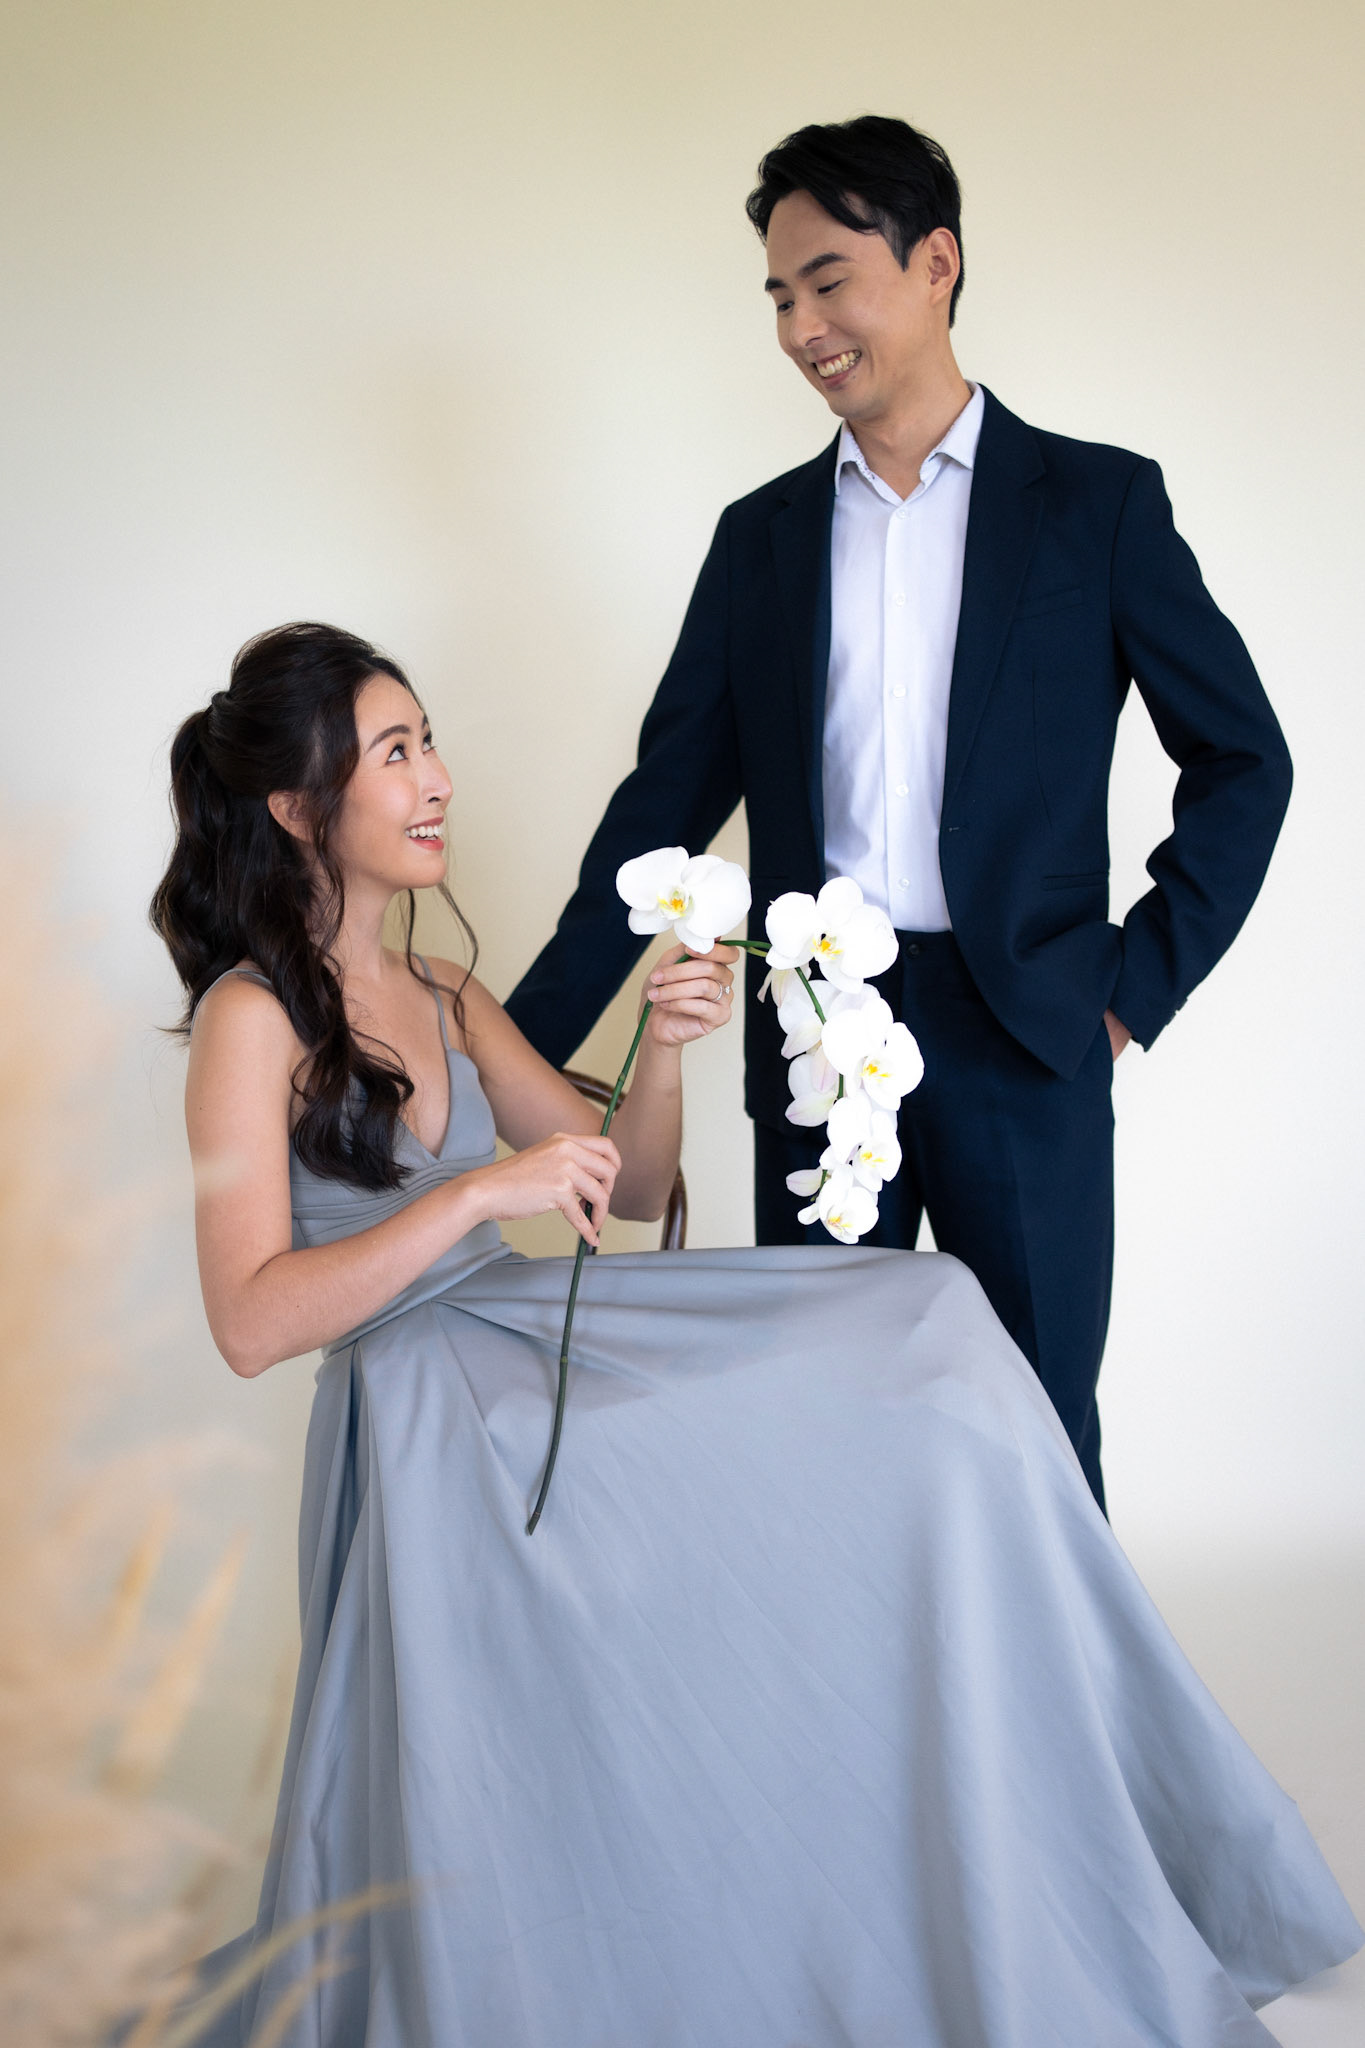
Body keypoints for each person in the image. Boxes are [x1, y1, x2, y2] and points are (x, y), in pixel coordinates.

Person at [155, 622, 1356, 2047]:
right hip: (425, 1409)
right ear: (300, 806)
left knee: (928, 1317)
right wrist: (476, 1193)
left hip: (523, 1333)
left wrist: (663, 1044)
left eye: (430, 743)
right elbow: (250, 1321)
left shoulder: (445, 992)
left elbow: (632, 1186)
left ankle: (996, 1809)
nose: (438, 781)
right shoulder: (250, 1016)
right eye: (396, 752)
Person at [504, 116, 1294, 1514]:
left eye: (828, 282)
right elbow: (657, 816)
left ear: (936, 264)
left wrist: (1125, 992)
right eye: (778, 297)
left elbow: (1244, 758)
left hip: (1029, 1035)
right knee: (818, 1436)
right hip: (816, 1034)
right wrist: (503, 1051)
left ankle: (1044, 1673)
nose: (801, 328)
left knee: (1033, 1440)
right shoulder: (759, 539)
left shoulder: (1097, 506)